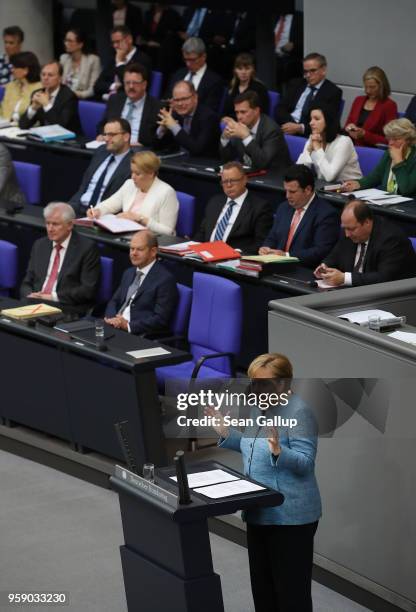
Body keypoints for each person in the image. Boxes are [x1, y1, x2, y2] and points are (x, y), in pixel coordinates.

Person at [206, 352, 321, 612]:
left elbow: (305, 463)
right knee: (263, 589)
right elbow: (252, 446)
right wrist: (226, 433)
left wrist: (280, 452)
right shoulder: (259, 407)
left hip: (291, 518)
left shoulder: (300, 412)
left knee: (291, 594)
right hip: (259, 511)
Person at [20, 202, 100, 314]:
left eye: (55, 224)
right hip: (34, 304)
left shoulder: (87, 249)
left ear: (70, 225)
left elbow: (87, 290)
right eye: (47, 223)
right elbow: (27, 282)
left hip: (65, 308)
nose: (50, 229)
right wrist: (30, 295)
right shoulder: (40, 245)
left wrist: (52, 297)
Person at [314, 200, 416, 287]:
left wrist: (344, 278)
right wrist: (325, 266)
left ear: (367, 222)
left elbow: (384, 278)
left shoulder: (391, 239)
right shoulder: (348, 230)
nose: (347, 234)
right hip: (355, 292)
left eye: (351, 229)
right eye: (344, 228)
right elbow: (336, 254)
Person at [259, 164, 339, 267]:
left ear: (307, 190)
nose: (287, 196)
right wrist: (266, 247)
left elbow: (320, 251)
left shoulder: (326, 214)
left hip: (302, 270)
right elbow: (273, 236)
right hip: (276, 266)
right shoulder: (283, 208)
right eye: (286, 190)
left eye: (292, 192)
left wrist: (287, 256)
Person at [105, 229, 178, 334]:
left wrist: (128, 326)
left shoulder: (165, 280)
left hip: (136, 334)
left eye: (139, 249)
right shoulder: (128, 273)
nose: (134, 253)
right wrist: (112, 319)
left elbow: (160, 319)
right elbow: (114, 301)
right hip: (114, 326)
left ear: (153, 251)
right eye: (132, 249)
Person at [88, 151, 178, 235]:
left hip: (150, 241)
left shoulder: (166, 192)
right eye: (132, 172)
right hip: (126, 235)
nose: (133, 177)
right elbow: (109, 205)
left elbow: (168, 231)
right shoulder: (129, 184)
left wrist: (140, 219)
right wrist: (97, 211)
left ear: (151, 173)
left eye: (138, 174)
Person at [194, 161, 272, 253]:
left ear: (244, 180)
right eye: (225, 182)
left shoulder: (259, 207)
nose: (229, 185)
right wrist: (193, 247)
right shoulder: (214, 201)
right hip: (206, 255)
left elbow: (260, 243)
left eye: (233, 180)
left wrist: (236, 252)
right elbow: (202, 233)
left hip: (233, 259)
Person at [69, 118, 133, 215]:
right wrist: (71, 205)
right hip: (78, 207)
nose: (106, 139)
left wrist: (99, 211)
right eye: (105, 134)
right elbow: (84, 186)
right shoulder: (101, 151)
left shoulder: (133, 163)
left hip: (102, 215)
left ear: (126, 137)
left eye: (111, 135)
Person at [342, 118, 416, 197]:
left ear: (408, 140)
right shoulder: (389, 153)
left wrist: (399, 163)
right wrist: (358, 183)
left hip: (408, 206)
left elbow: (406, 190)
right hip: (387, 201)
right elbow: (376, 176)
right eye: (389, 138)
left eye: (395, 139)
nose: (391, 143)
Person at [274, 52, 342, 137]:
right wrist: (291, 124)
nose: (308, 75)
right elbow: (280, 108)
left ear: (323, 70)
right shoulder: (296, 84)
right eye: (305, 72)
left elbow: (328, 125)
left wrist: (300, 128)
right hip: (286, 128)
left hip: (309, 135)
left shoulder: (333, 92)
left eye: (313, 71)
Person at [220, 90, 291, 171]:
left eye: (243, 112)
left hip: (273, 176)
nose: (239, 117)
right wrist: (225, 138)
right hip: (249, 174)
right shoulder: (241, 126)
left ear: (256, 111)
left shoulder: (272, 130)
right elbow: (228, 160)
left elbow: (262, 163)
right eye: (237, 112)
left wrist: (246, 137)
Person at [96, 63, 160, 146]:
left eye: (135, 83)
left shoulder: (156, 106)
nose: (131, 86)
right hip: (113, 146)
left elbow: (157, 137)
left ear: (144, 85)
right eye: (127, 82)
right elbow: (102, 125)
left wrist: (144, 144)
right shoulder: (115, 100)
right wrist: (103, 135)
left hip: (139, 151)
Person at [296, 105, 362, 182]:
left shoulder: (344, 142)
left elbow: (330, 177)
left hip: (350, 190)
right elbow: (298, 173)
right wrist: (308, 151)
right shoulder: (314, 138)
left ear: (328, 121)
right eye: (311, 119)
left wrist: (318, 149)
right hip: (326, 188)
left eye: (316, 119)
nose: (311, 123)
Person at [157, 80, 220, 157]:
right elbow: (157, 147)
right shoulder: (174, 114)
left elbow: (197, 149)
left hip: (201, 163)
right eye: (176, 100)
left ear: (195, 97)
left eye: (184, 99)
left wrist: (174, 126)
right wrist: (162, 130)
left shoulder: (209, 117)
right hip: (176, 162)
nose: (180, 103)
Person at [18, 60, 81, 133]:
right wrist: (33, 108)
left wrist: (46, 104)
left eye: (50, 75)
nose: (45, 78)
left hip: (68, 140)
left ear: (60, 78)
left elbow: (61, 127)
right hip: (44, 138)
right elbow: (23, 125)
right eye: (43, 74)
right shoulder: (38, 93)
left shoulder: (69, 96)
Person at [344, 66, 397, 147]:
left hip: (371, 149)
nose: (368, 91)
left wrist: (364, 134)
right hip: (350, 145)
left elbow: (390, 139)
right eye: (366, 87)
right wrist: (349, 128)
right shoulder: (358, 100)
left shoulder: (389, 105)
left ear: (382, 86)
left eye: (372, 87)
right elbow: (347, 125)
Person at [93, 25, 151, 100]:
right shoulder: (113, 58)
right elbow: (97, 85)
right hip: (109, 101)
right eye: (113, 42)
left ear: (129, 39)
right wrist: (114, 86)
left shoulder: (142, 59)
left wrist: (119, 63)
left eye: (118, 41)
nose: (115, 46)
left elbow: (133, 87)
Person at [166, 37, 224, 112]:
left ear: (203, 57)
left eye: (192, 60)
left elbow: (210, 111)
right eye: (185, 59)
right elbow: (167, 98)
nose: (188, 64)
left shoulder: (214, 81)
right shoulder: (178, 74)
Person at [222, 53, 269, 118]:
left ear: (252, 70)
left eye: (247, 69)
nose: (243, 72)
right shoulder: (231, 87)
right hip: (232, 124)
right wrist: (225, 119)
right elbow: (225, 112)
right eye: (240, 69)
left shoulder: (260, 88)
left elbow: (263, 114)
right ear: (235, 70)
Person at [60, 28, 101, 100]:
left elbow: (93, 89)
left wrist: (75, 95)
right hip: (64, 100)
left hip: (83, 100)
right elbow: (59, 82)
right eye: (65, 40)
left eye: (70, 41)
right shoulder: (64, 58)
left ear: (80, 44)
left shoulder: (93, 60)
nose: (66, 43)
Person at [0, 52, 41, 123]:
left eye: (14, 67)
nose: (12, 70)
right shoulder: (10, 86)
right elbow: (3, 109)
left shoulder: (39, 88)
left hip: (28, 128)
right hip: (5, 126)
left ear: (26, 70)